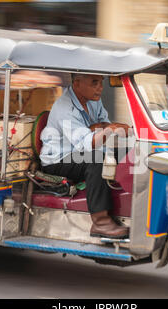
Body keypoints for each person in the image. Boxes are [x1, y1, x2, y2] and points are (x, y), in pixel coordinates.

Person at [39, 73, 130, 239]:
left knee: (128, 152)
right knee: (95, 160)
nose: (100, 87)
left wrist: (110, 128)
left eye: (101, 82)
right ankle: (101, 222)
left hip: (81, 151)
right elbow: (88, 143)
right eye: (94, 83)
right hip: (58, 159)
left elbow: (104, 123)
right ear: (77, 83)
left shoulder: (94, 99)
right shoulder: (65, 109)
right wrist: (109, 128)